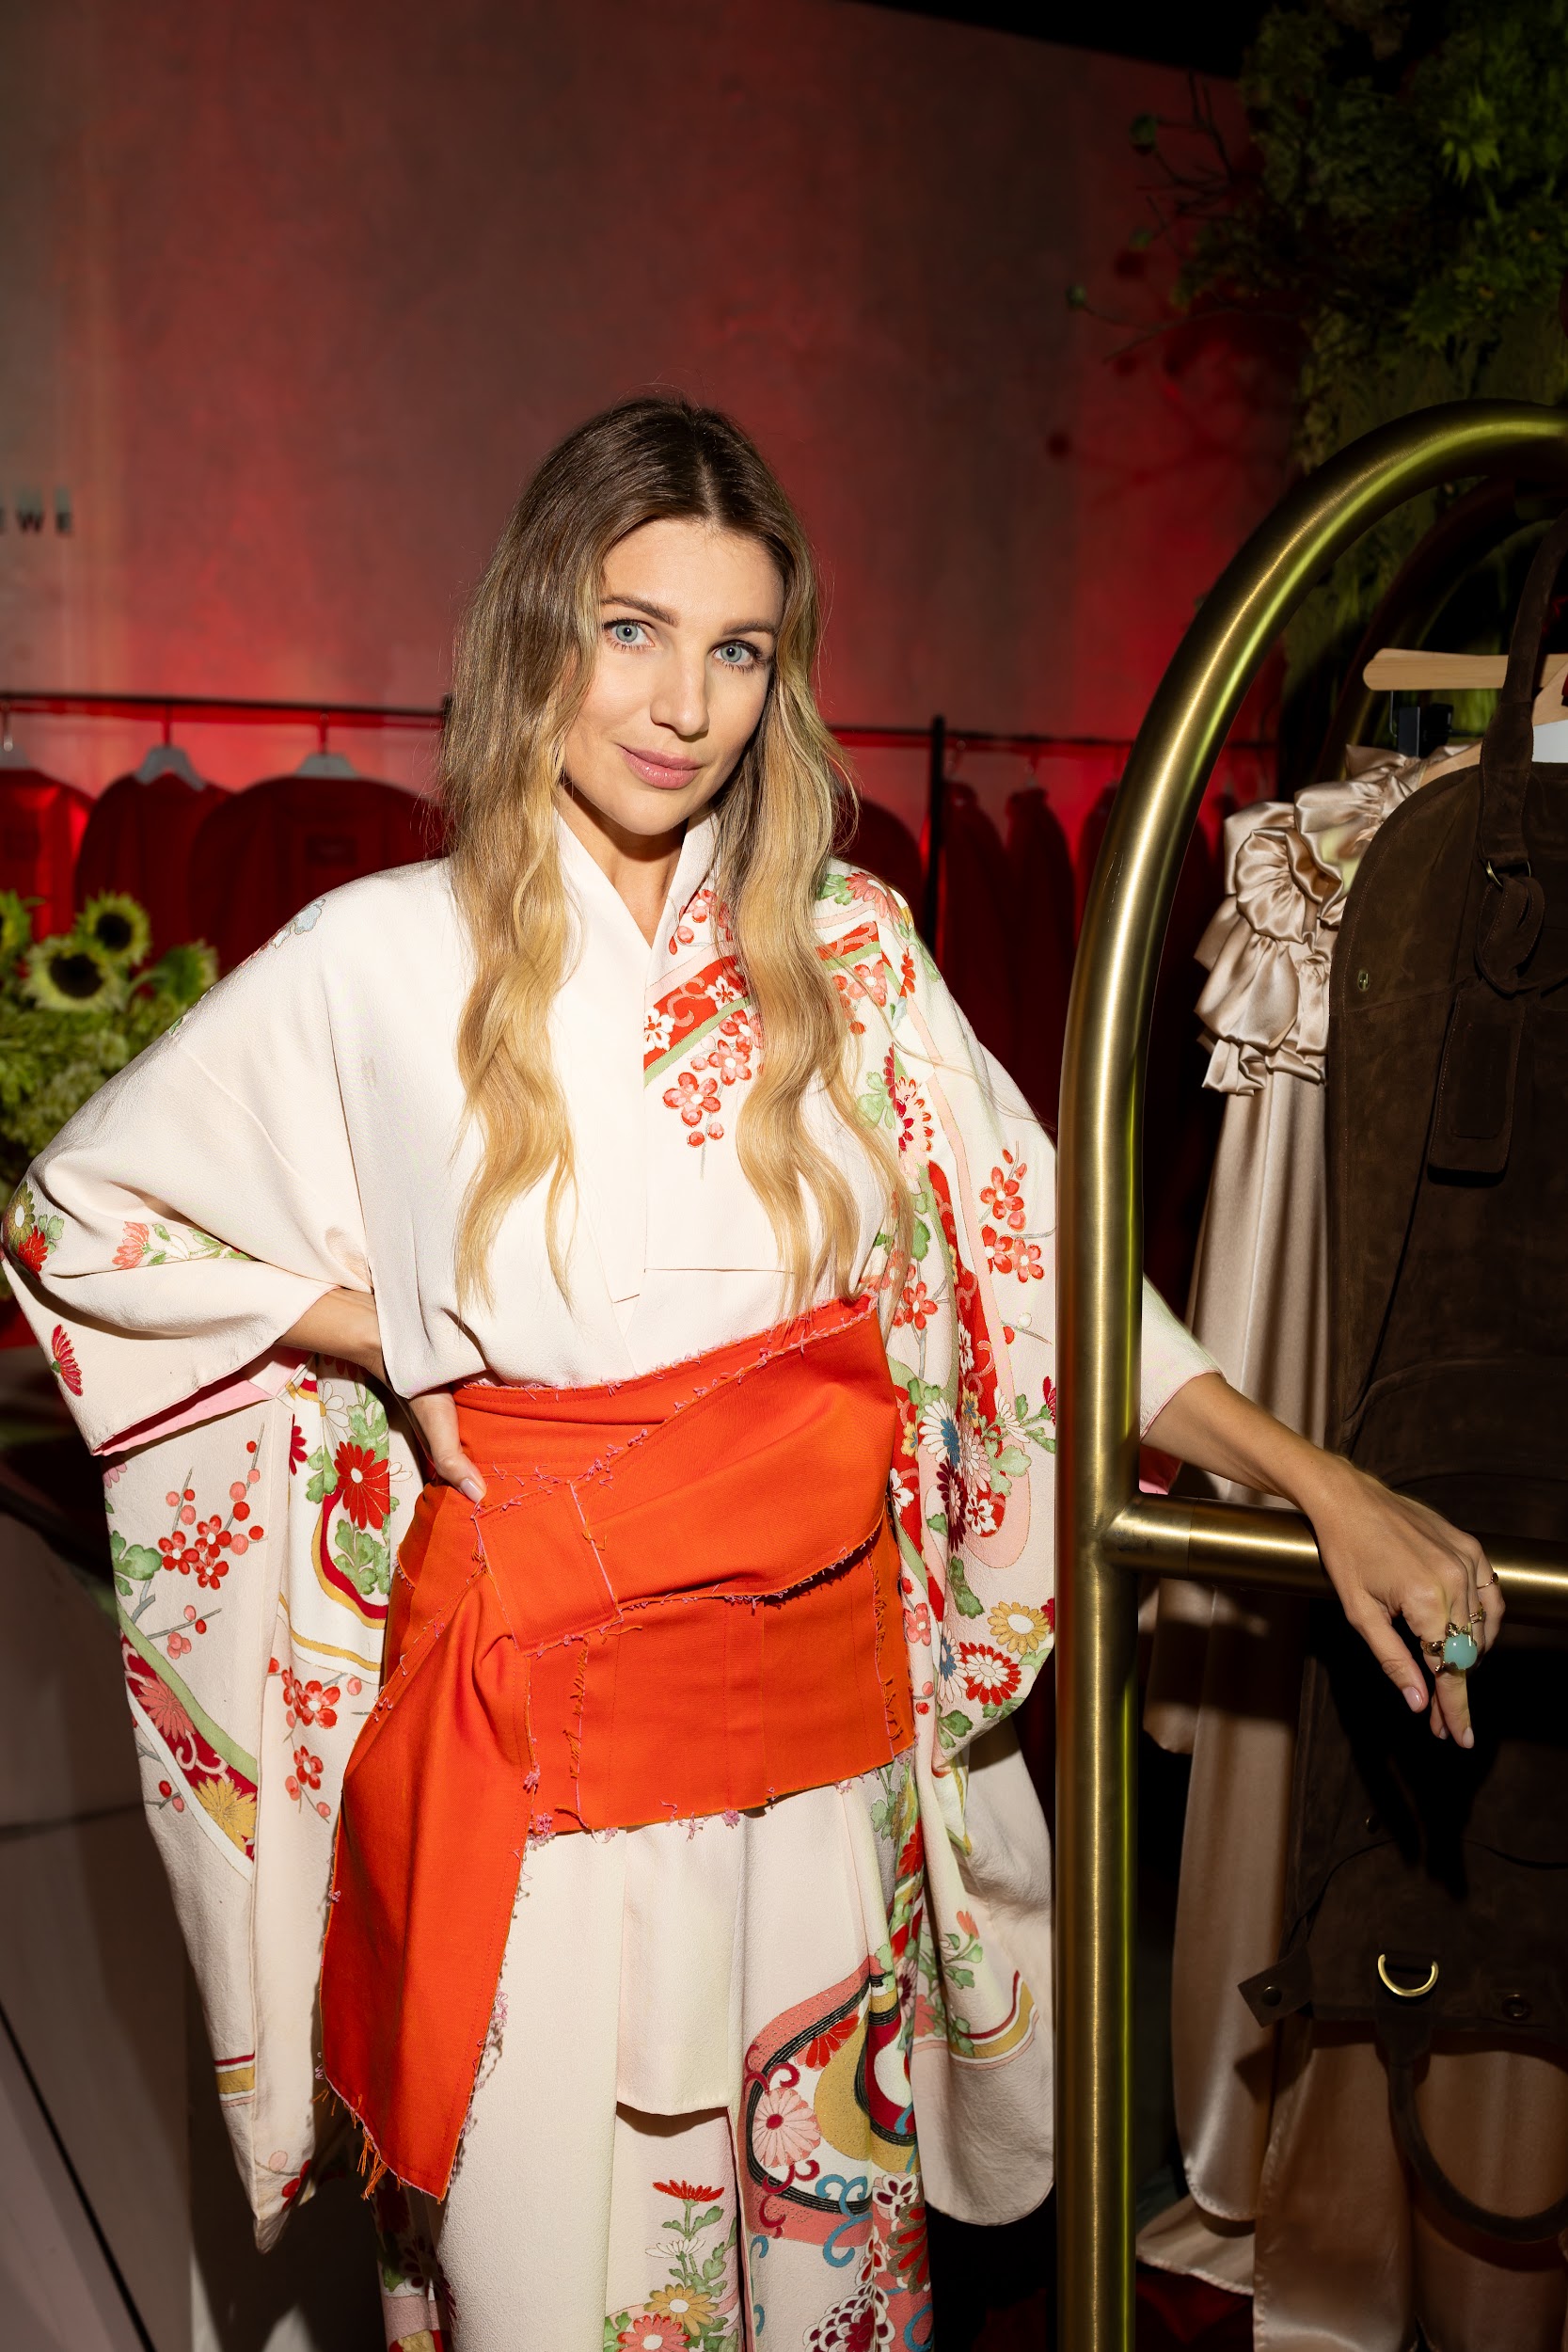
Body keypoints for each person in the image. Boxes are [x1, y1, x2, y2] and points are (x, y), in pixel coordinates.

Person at [6, 396, 1499, 2352]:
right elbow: (84, 1219)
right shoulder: (374, 958)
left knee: (820, 2287)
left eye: (738, 648)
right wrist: (386, 1335)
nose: (682, 702)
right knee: (550, 2290)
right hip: (544, 1766)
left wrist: (1315, 1477)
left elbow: (1044, 1264)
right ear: (537, 628)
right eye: (631, 629)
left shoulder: (850, 954)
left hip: (822, 1777)